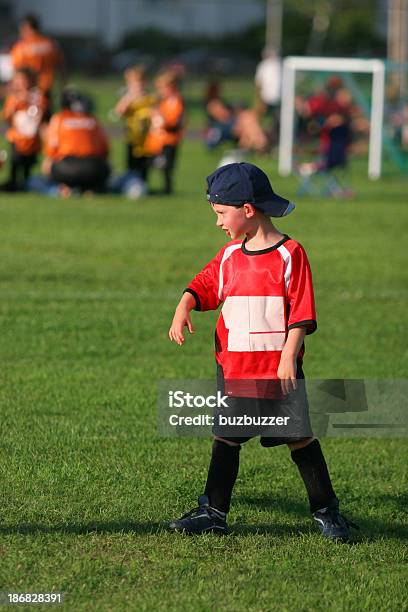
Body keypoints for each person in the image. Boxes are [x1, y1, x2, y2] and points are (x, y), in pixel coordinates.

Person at [168, 162, 357, 541]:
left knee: (300, 438)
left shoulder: (290, 253)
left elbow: (302, 310)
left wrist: (289, 354)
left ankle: (326, 511)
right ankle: (213, 512)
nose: (218, 222)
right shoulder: (229, 256)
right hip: (235, 368)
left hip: (278, 369)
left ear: (248, 210)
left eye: (222, 214)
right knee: (226, 438)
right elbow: (205, 284)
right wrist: (184, 304)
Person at [40, 88, 110, 195]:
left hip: (67, 168)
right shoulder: (92, 119)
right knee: (103, 167)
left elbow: (51, 149)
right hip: (94, 168)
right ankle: (90, 189)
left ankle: (64, 188)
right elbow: (105, 150)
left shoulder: (59, 118)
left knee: (47, 165)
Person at [1, 67, 47, 191]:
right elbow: (7, 116)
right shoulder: (13, 98)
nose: (20, 83)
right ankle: (13, 183)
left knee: (28, 164)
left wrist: (27, 99)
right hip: (16, 137)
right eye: (18, 80)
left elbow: (40, 112)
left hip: (32, 138)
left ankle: (27, 183)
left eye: (23, 80)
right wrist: (15, 102)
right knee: (15, 161)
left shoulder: (37, 95)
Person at [10, 13, 64, 112]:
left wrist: (15, 90)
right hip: (46, 88)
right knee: (45, 119)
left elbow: (17, 70)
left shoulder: (21, 47)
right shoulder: (51, 44)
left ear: (27, 27)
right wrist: (62, 86)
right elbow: (61, 67)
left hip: (27, 91)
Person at [145, 70, 185, 194]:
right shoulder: (164, 101)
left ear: (171, 87)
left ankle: (167, 189)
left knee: (166, 166)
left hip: (169, 140)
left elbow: (173, 122)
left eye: (162, 88)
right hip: (157, 141)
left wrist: (159, 117)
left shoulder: (176, 101)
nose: (160, 91)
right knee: (150, 163)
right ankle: (147, 186)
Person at [114, 65, 156, 181]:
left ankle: (143, 185)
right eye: (134, 84)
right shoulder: (128, 99)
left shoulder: (149, 98)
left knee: (144, 164)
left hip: (146, 139)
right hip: (132, 138)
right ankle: (131, 184)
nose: (138, 87)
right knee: (132, 164)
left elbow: (155, 113)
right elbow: (118, 112)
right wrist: (129, 98)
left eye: (140, 83)